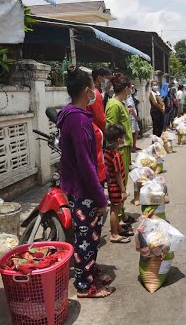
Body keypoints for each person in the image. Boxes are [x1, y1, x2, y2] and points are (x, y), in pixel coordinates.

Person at [56, 66, 112, 298]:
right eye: (93, 88)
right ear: (86, 90)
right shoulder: (78, 120)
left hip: (85, 187)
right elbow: (85, 163)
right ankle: (84, 285)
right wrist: (100, 196)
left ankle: (90, 272)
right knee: (86, 239)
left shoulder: (72, 113)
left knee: (92, 236)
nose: (96, 92)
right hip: (85, 190)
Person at [105, 73, 133, 201]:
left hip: (124, 147)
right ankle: (119, 214)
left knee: (124, 180)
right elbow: (110, 129)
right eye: (130, 87)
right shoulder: (114, 104)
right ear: (126, 88)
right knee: (119, 182)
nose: (131, 90)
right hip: (119, 149)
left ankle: (121, 212)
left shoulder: (121, 104)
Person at [104, 124, 133, 243]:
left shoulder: (107, 152)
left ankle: (118, 228)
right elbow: (117, 174)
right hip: (115, 186)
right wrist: (123, 190)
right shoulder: (115, 155)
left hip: (112, 185)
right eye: (122, 137)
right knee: (115, 210)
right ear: (118, 140)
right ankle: (114, 234)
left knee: (116, 208)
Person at [87, 67, 111, 132]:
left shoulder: (98, 92)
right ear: (99, 78)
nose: (109, 81)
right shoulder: (96, 94)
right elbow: (100, 119)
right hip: (97, 131)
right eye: (107, 78)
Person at [126, 84, 141, 153]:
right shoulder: (127, 98)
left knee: (136, 131)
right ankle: (132, 147)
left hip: (134, 117)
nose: (132, 89)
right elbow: (130, 109)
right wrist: (136, 117)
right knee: (132, 132)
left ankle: (134, 145)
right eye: (131, 88)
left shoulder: (131, 96)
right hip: (131, 117)